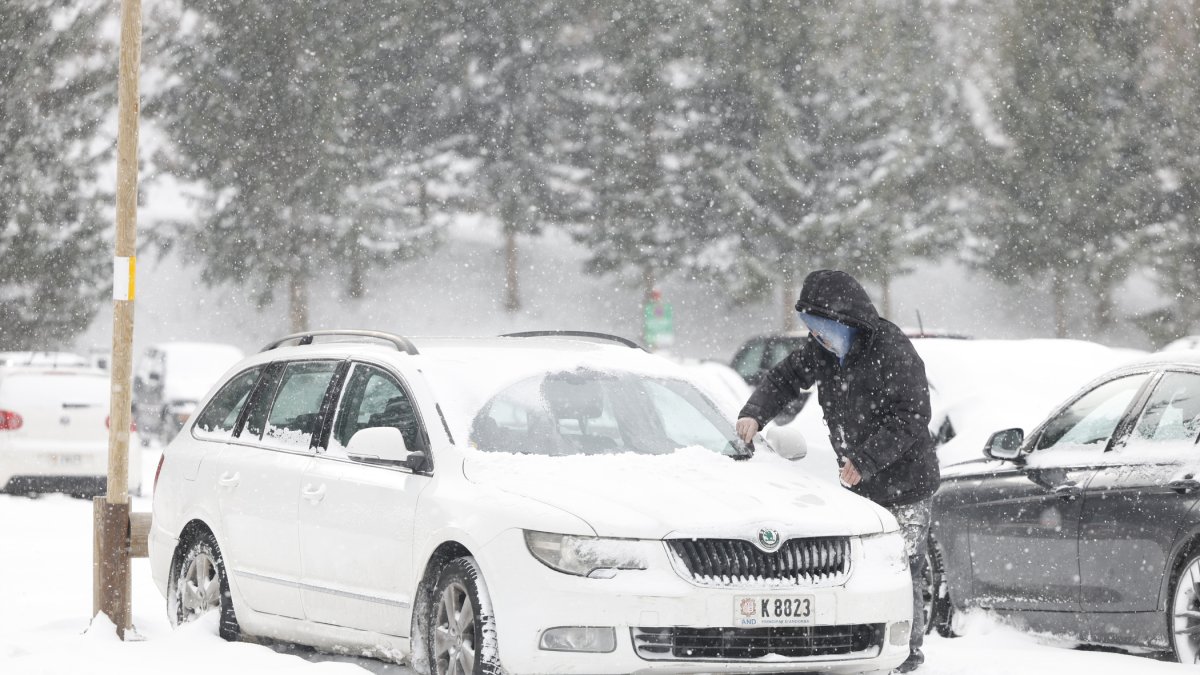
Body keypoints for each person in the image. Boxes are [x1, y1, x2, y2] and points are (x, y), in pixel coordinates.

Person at [735, 269, 939, 674]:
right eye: (812, 330)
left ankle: (906, 653)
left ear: (846, 320)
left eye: (823, 329)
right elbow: (786, 377)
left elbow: (911, 415)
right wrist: (755, 413)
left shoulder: (891, 349)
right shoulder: (824, 351)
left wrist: (866, 460)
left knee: (900, 565)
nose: (818, 338)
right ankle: (862, 643)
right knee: (863, 568)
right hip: (860, 484)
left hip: (905, 483)